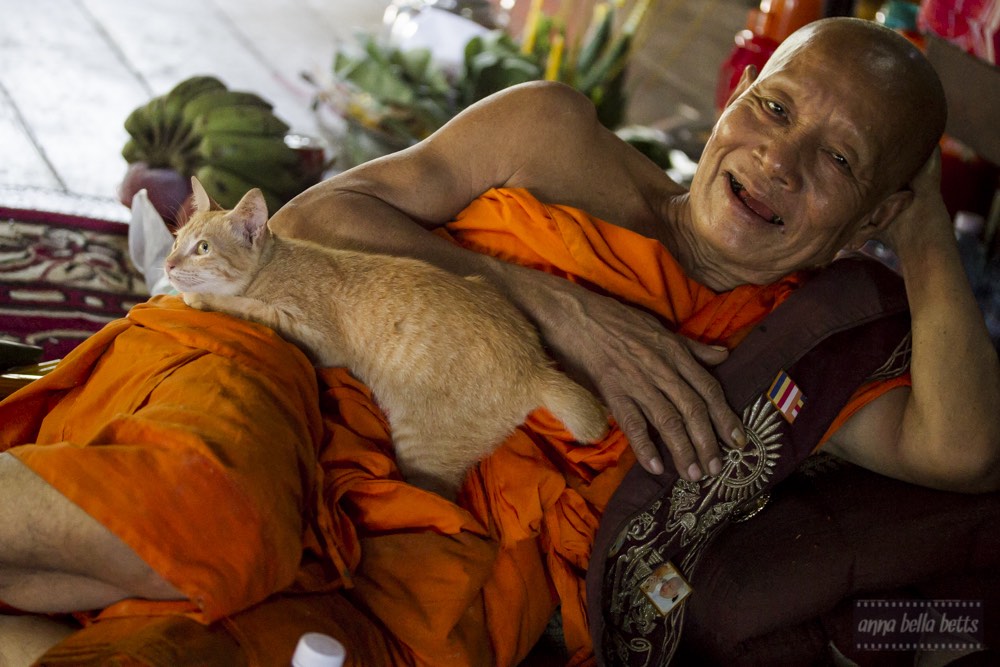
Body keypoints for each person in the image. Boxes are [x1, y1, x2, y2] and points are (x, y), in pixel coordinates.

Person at [1, 16, 998, 666]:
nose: (775, 158)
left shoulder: (784, 349)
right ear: (734, 97)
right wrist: (555, 309)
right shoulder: (554, 137)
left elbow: (964, 452)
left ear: (875, 209)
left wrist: (918, 236)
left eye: (837, 159)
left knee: (201, 653)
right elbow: (314, 221)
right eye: (772, 107)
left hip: (439, 563)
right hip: (295, 376)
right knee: (215, 513)